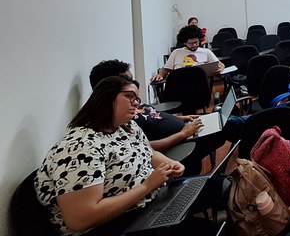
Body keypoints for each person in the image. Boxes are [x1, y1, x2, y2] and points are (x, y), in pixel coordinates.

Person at [35, 76, 218, 236]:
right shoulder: (79, 147)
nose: (136, 103)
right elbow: (80, 219)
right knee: (205, 235)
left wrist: (168, 163)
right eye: (129, 96)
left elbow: (147, 151)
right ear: (105, 99)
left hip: (146, 203)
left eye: (137, 98)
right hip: (109, 233)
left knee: (216, 186)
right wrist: (147, 186)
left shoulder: (125, 126)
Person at [89, 60, 243, 175]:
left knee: (233, 122)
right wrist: (183, 133)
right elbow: (146, 147)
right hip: (184, 142)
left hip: (188, 129)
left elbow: (154, 116)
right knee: (236, 125)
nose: (134, 85)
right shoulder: (120, 118)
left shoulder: (129, 105)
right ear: (108, 88)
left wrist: (181, 118)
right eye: (127, 81)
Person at [152, 25, 223, 82]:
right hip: (180, 84)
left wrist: (220, 69)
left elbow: (220, 65)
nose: (194, 45)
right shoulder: (176, 52)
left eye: (196, 42)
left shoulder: (206, 52)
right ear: (185, 42)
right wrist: (160, 75)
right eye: (191, 43)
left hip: (200, 84)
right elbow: (165, 70)